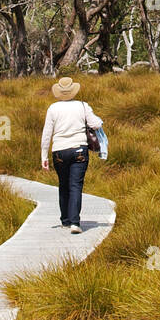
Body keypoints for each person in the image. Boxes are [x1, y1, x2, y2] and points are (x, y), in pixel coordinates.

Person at [40, 76, 103, 234]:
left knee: (63, 185)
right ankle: (75, 223)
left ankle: (65, 220)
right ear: (73, 91)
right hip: (79, 150)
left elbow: (47, 134)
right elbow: (96, 124)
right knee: (76, 185)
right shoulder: (82, 106)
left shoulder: (53, 108)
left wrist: (44, 156)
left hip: (59, 152)